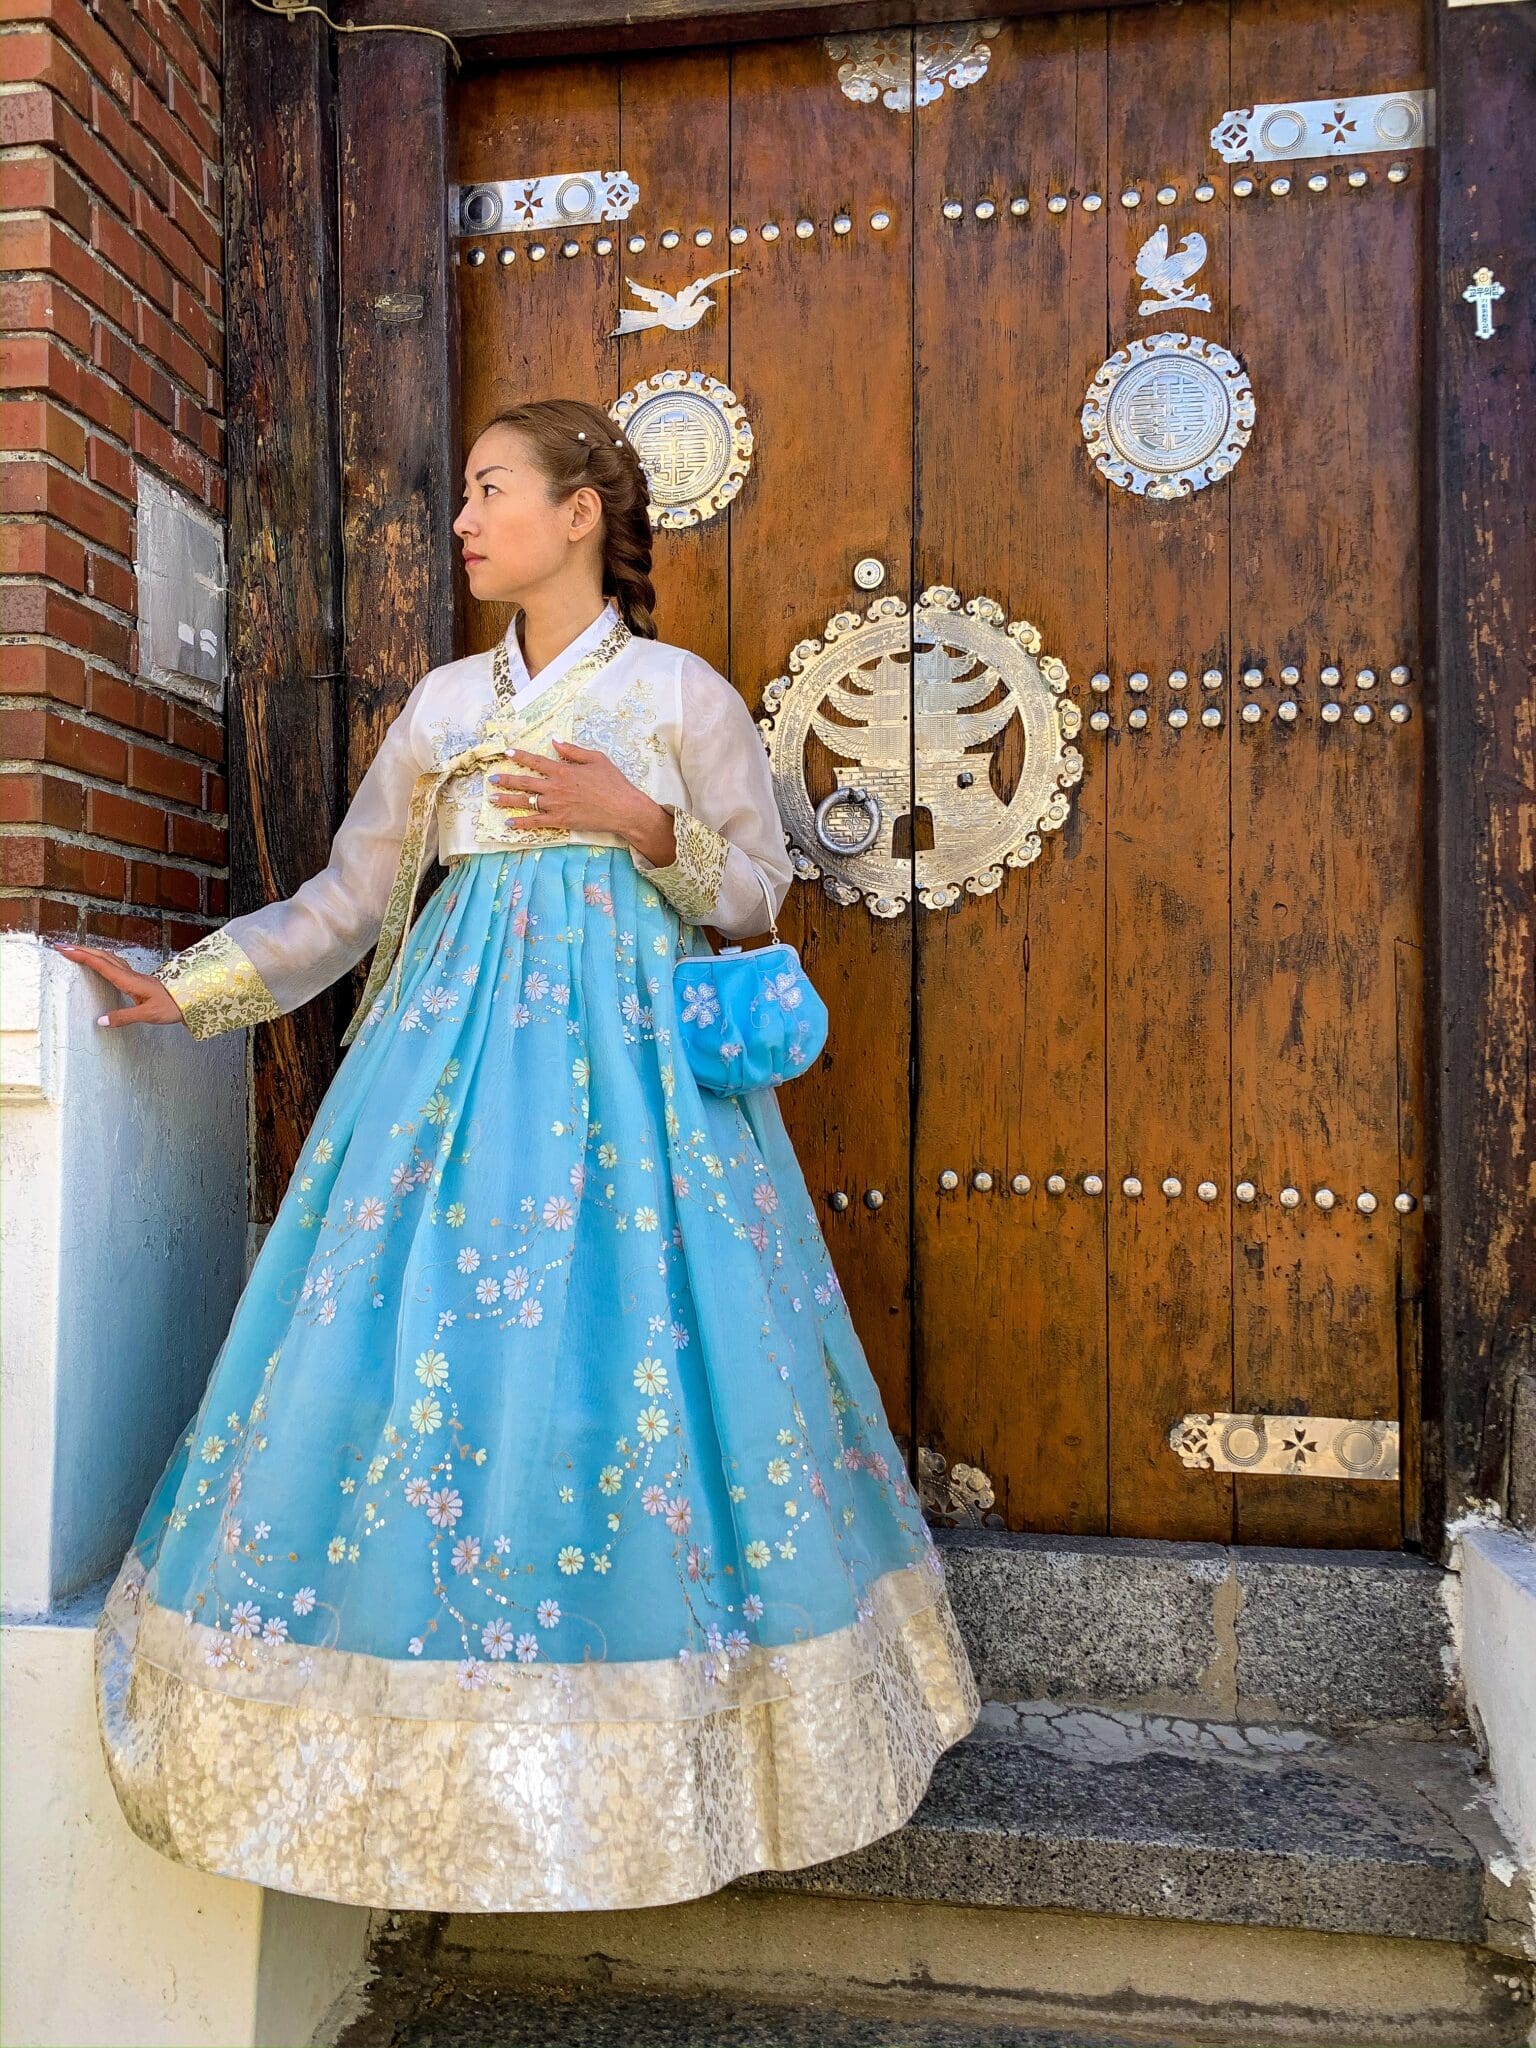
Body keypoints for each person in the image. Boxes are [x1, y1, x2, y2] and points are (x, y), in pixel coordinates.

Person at [58, 396, 980, 1914]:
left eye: (494, 491)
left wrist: (639, 825)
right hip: (446, 1092)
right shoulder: (438, 712)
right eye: (468, 493)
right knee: (436, 1349)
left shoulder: (680, 697)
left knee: (635, 1354)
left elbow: (756, 897)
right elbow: (349, 904)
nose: (468, 519)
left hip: (642, 1112)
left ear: (582, 517)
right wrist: (194, 987)